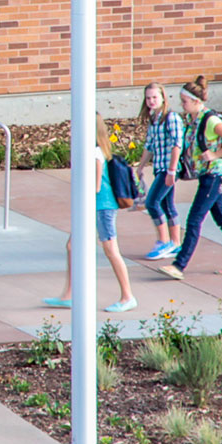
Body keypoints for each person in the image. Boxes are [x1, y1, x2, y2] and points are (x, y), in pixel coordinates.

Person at [45, 114, 138, 312]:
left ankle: (127, 296)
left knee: (111, 250)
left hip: (103, 207)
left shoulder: (95, 153)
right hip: (92, 207)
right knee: (72, 246)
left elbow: (95, 187)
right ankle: (69, 294)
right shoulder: (93, 151)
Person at [163, 76, 222, 279]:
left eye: (184, 101)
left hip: (215, 175)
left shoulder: (211, 120)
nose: (182, 105)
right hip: (207, 175)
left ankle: (179, 265)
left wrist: (215, 154)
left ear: (196, 101)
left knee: (194, 220)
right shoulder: (194, 119)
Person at [137, 83, 184, 262]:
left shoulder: (171, 118)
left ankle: (164, 241)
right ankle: (176, 243)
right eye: (148, 98)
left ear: (163, 98)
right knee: (167, 205)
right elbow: (149, 145)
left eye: (154, 97)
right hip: (160, 167)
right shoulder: (154, 119)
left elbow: (176, 145)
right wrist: (140, 166)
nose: (151, 101)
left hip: (168, 169)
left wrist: (172, 170)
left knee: (152, 202)